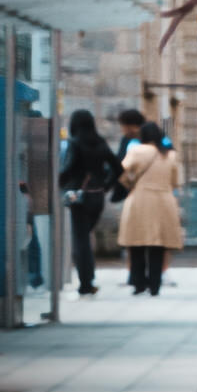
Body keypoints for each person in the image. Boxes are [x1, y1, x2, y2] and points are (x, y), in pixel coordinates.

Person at [58, 109, 123, 296]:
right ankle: (89, 280)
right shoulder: (100, 142)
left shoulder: (75, 143)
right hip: (97, 197)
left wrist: (57, 181)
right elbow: (118, 168)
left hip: (79, 197)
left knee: (81, 241)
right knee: (85, 238)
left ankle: (86, 283)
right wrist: (106, 185)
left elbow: (69, 168)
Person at [117, 120, 183, 296]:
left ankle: (138, 283)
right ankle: (155, 285)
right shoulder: (169, 155)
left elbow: (121, 171)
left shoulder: (136, 151)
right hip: (163, 200)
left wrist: (129, 183)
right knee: (158, 245)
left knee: (136, 243)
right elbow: (176, 181)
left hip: (139, 199)